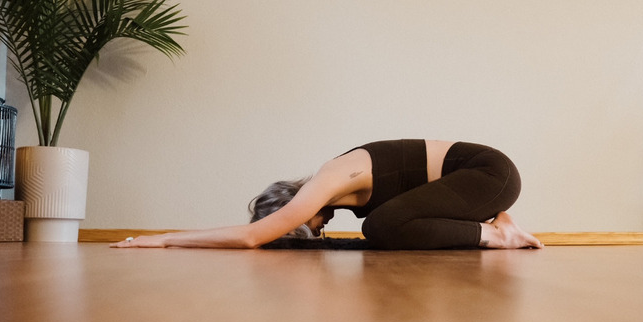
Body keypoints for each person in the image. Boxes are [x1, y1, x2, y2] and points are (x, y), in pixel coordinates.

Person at [112, 139, 543, 250]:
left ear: (292, 209)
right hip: (481, 179)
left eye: (302, 230)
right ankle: (494, 231)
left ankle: (498, 235)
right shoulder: (335, 187)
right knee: (385, 226)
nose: (314, 234)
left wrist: (166, 238)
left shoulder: (328, 181)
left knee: (382, 225)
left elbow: (252, 237)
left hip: (490, 175)